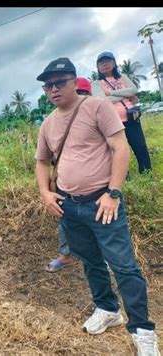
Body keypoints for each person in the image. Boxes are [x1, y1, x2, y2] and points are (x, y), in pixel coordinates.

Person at [35, 57, 159, 355]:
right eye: (47, 85)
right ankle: (107, 308)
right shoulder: (48, 123)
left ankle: (142, 329)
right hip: (69, 206)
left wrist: (113, 192)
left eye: (59, 82)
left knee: (123, 265)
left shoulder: (97, 107)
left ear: (74, 81)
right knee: (90, 262)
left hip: (103, 203)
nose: (53, 89)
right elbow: (41, 160)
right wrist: (45, 192)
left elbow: (120, 148)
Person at [45, 77, 91, 273]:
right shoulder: (53, 121)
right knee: (65, 220)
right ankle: (66, 256)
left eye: (82, 94)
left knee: (99, 222)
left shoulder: (98, 114)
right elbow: (44, 158)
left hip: (97, 189)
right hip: (66, 186)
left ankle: (101, 257)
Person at [91, 51, 152, 174]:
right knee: (118, 151)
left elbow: (134, 89)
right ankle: (124, 176)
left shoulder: (122, 77)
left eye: (108, 61)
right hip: (112, 122)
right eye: (101, 63)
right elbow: (102, 101)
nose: (105, 64)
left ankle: (146, 173)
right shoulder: (96, 84)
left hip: (132, 118)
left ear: (114, 63)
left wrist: (111, 93)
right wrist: (126, 95)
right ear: (97, 67)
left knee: (140, 146)